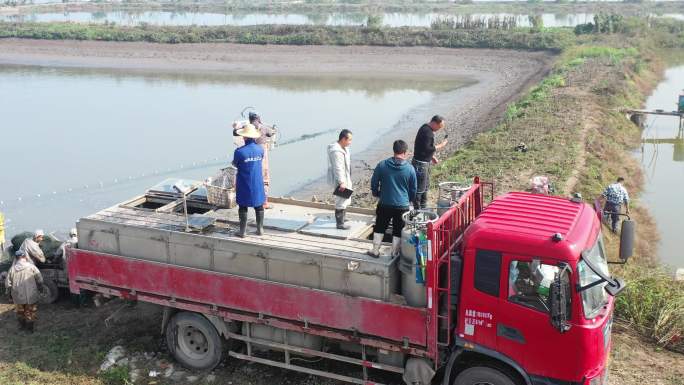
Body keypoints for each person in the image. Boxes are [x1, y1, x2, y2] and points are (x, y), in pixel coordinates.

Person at [368, 140, 417, 258]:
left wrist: (377, 193)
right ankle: (394, 253)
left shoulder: (382, 165)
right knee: (398, 229)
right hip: (402, 205)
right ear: (405, 152)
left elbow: (374, 182)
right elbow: (413, 189)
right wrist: (408, 199)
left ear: (394, 150)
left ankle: (375, 251)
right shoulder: (410, 169)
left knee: (380, 226)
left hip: (384, 203)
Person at [233, 112, 277, 208]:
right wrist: (273, 129)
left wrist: (236, 127)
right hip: (261, 154)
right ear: (259, 118)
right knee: (264, 178)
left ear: (249, 119)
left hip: (247, 154)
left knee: (248, 177)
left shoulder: (246, 127)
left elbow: (235, 132)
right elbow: (272, 133)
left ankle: (246, 201)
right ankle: (264, 202)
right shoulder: (264, 127)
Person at [232, 124, 266, 238]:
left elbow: (235, 164)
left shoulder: (239, 152)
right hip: (257, 182)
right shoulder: (260, 149)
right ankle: (260, 229)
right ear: (254, 136)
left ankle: (242, 232)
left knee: (243, 206)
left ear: (244, 137)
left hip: (244, 182)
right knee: (259, 205)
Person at [412, 115, 448, 209]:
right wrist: (441, 145)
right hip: (420, 165)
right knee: (420, 189)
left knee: (425, 187)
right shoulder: (427, 132)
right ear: (434, 123)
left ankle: (423, 208)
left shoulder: (426, 129)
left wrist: (432, 157)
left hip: (424, 162)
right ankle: (417, 211)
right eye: (439, 127)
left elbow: (423, 147)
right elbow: (428, 148)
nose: (439, 129)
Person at [5, 250, 46, 333]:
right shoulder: (31, 267)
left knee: (20, 312)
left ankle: (22, 327)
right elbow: (40, 279)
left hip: (17, 295)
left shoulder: (12, 269)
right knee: (31, 311)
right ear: (24, 257)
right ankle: (30, 329)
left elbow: (8, 284)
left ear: (16, 258)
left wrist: (9, 295)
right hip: (31, 294)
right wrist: (41, 288)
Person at [327, 129, 353, 230]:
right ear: (343, 139)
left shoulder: (344, 148)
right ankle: (340, 223)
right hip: (340, 179)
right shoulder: (336, 151)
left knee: (345, 198)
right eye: (349, 140)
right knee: (340, 199)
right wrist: (341, 182)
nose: (350, 142)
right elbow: (338, 168)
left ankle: (343, 218)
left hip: (345, 176)